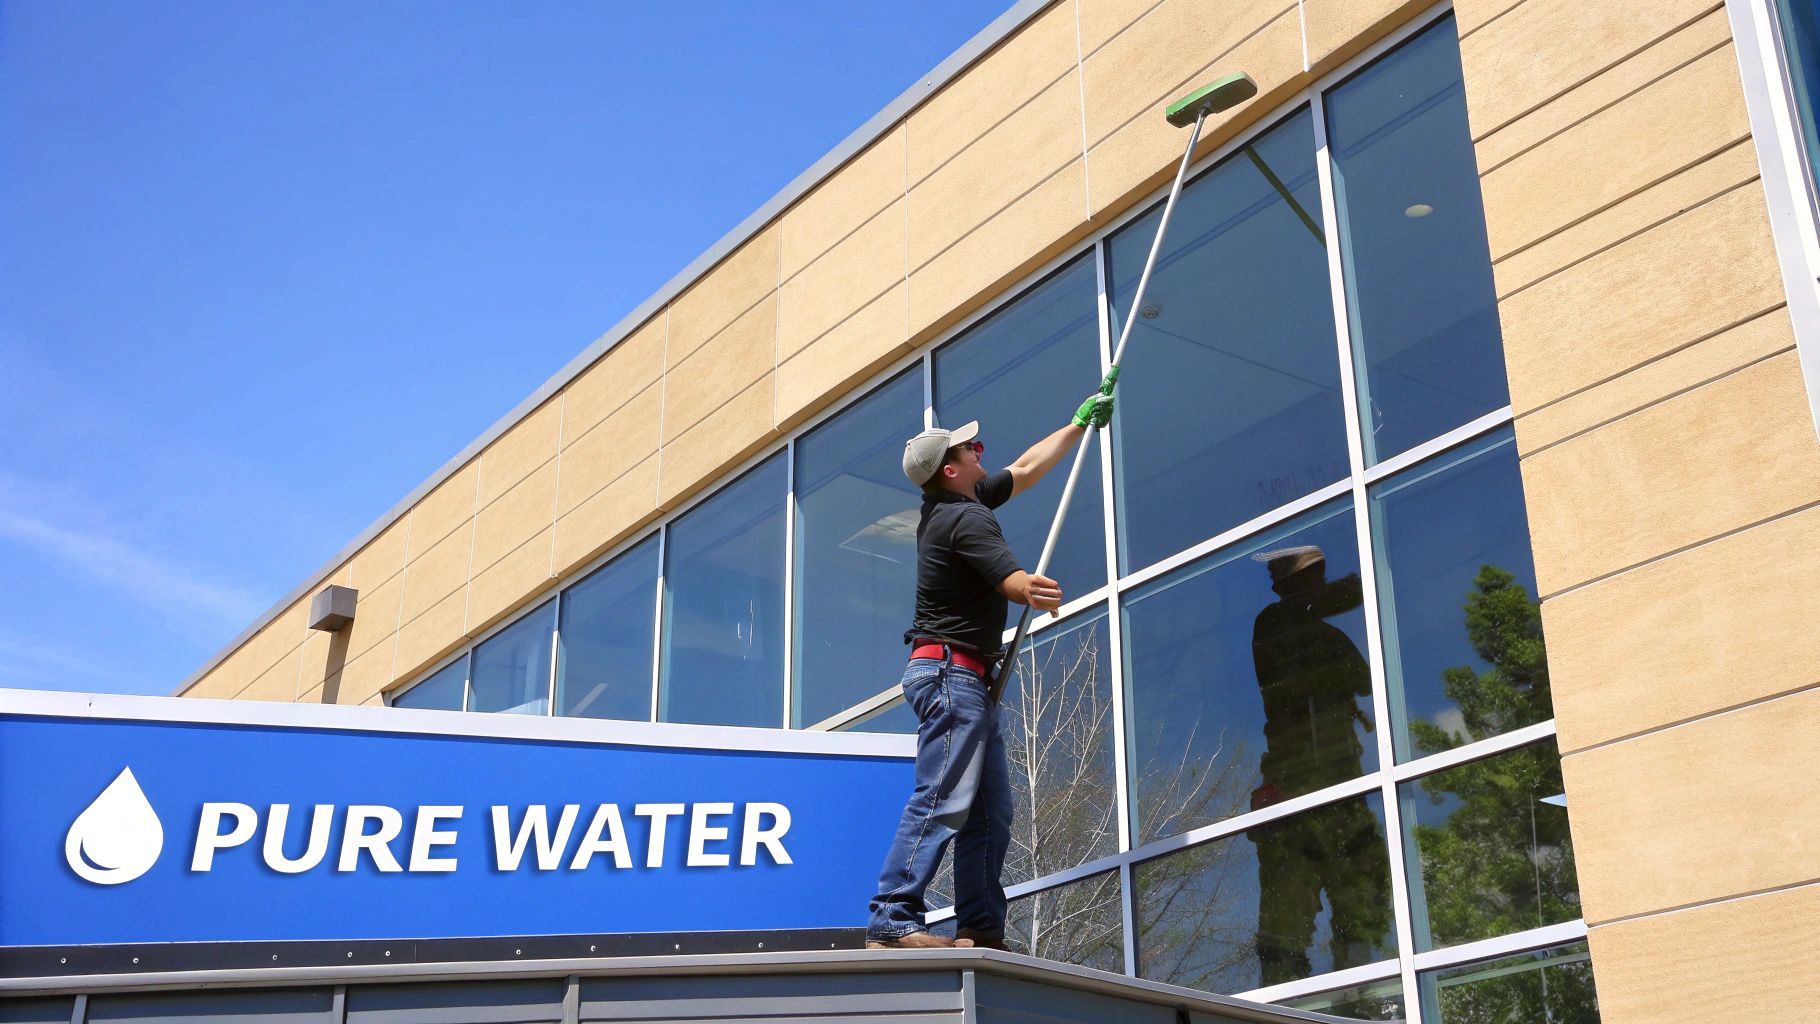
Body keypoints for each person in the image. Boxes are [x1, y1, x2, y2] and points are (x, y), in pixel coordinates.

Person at [864, 387, 1114, 950]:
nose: (983, 450)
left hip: (963, 679)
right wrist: (1032, 588)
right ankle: (893, 917)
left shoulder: (956, 502)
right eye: (972, 448)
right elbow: (1009, 581)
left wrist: (1077, 424)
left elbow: (1024, 469)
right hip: (951, 678)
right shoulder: (963, 519)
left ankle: (980, 926)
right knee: (943, 797)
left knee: (989, 810)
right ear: (952, 469)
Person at [1246, 544, 1389, 984]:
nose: (1321, 585)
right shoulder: (1278, 622)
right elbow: (1353, 667)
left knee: (1365, 902)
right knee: (1286, 926)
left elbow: (1363, 681)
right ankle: (1286, 998)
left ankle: (1359, 994)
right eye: (1312, 577)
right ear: (1291, 586)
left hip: (1340, 785)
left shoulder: (1322, 632)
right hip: (1295, 789)